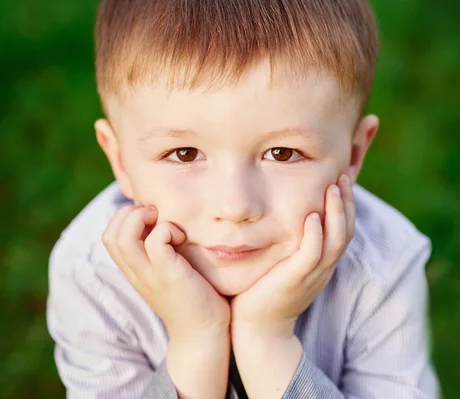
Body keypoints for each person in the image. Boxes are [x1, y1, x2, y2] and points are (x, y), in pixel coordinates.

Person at [46, 0, 440, 397]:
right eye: (184, 154)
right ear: (119, 159)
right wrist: (196, 339)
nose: (234, 207)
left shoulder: (383, 265)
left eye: (283, 153)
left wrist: (267, 340)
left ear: (353, 155)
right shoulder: (91, 274)